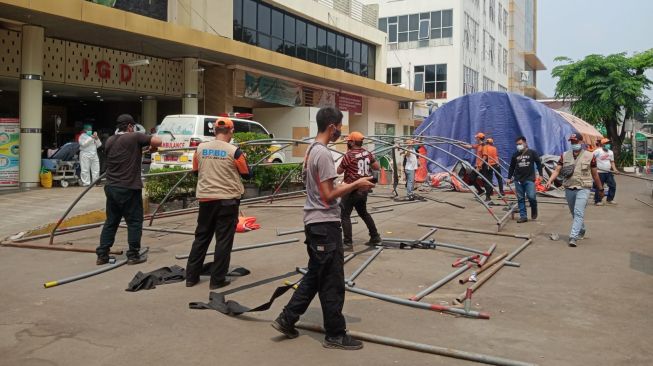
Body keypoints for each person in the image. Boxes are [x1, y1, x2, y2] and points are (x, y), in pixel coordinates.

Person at [272, 107, 375, 350]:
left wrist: (343, 183)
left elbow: (322, 188)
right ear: (331, 126)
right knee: (332, 280)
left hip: (315, 223)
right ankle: (335, 334)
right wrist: (355, 184)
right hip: (324, 224)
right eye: (339, 127)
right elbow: (328, 195)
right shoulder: (324, 154)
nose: (340, 132)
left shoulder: (311, 150)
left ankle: (287, 318)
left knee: (317, 275)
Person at [185, 117, 252, 289]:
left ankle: (191, 277)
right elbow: (246, 174)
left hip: (206, 200)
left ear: (214, 131)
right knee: (223, 241)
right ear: (231, 131)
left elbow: (195, 171)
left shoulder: (200, 148)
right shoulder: (235, 151)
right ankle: (217, 281)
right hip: (227, 201)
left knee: (201, 238)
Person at [96, 114, 162, 265]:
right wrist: (150, 144)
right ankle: (133, 255)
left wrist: (145, 150)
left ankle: (102, 255)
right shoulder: (134, 137)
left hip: (111, 186)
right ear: (130, 126)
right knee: (134, 222)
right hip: (129, 187)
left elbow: (125, 154)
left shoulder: (110, 140)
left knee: (111, 222)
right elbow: (158, 141)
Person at [546, 134, 604, 247]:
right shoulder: (564, 155)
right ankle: (581, 230)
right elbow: (557, 170)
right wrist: (550, 180)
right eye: (572, 142)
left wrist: (600, 188)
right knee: (574, 212)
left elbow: (595, 174)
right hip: (569, 187)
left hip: (584, 188)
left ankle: (573, 237)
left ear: (581, 142)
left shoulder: (590, 156)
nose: (574, 144)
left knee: (578, 212)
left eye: (576, 142)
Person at [337, 131, 382, 250]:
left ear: (351, 142)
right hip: (363, 189)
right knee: (363, 213)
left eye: (348, 141)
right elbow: (377, 167)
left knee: (345, 215)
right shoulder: (367, 153)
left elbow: (339, 171)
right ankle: (375, 237)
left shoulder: (349, 155)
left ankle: (347, 242)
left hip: (351, 189)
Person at [507, 136, 543, 223]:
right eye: (517, 144)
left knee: (531, 197)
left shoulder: (532, 152)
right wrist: (509, 178)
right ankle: (523, 216)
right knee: (520, 198)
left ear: (525, 143)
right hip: (518, 179)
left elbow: (538, 163)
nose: (518, 146)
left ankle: (534, 208)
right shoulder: (515, 155)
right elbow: (511, 167)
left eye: (520, 144)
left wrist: (541, 175)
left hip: (529, 179)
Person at [462, 133, 493, 202]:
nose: (476, 138)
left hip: (482, 166)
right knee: (471, 178)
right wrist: (461, 145)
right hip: (478, 165)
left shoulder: (484, 146)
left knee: (485, 181)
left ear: (479, 138)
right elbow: (470, 147)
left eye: (477, 137)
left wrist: (480, 165)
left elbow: (485, 156)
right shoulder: (478, 145)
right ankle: (480, 191)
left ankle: (488, 197)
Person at [593, 138, 617, 206]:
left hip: (608, 172)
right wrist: (594, 166)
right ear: (602, 144)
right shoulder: (597, 151)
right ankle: (597, 201)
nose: (608, 145)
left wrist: (615, 169)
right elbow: (591, 159)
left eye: (608, 143)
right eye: (606, 143)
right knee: (599, 186)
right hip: (599, 172)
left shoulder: (610, 152)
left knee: (613, 185)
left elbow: (612, 162)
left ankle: (610, 199)